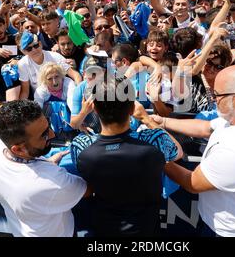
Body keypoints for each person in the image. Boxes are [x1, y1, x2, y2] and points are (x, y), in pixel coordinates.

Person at [163, 65, 235, 237]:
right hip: (223, 225)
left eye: (216, 95)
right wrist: (162, 122)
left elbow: (192, 182)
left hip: (230, 233)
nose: (213, 99)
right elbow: (206, 127)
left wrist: (158, 155)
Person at [74, 77, 183, 236]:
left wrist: (83, 113)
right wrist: (146, 118)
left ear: (95, 109)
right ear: (132, 108)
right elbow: (177, 151)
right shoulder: (153, 140)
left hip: (104, 228)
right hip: (146, 229)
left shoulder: (81, 146)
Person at [0, 100, 88, 237]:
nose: (53, 134)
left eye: (48, 126)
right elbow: (87, 190)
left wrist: (46, 164)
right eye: (44, 135)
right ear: (18, 149)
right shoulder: (51, 180)